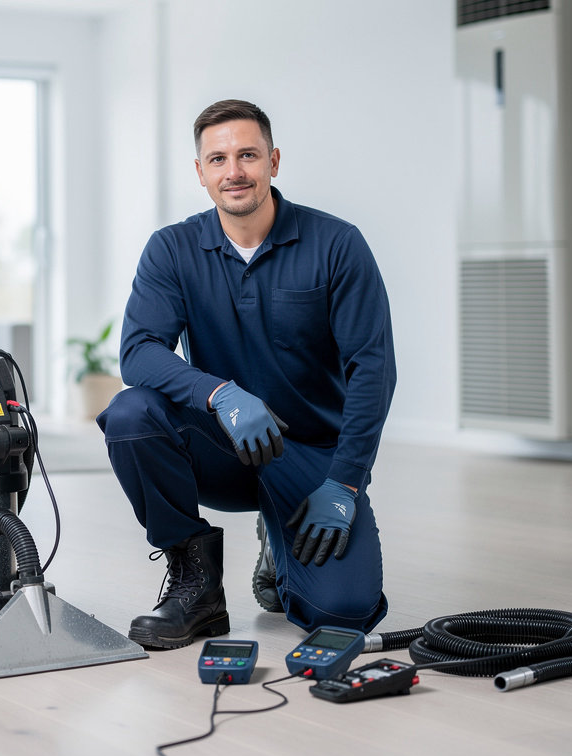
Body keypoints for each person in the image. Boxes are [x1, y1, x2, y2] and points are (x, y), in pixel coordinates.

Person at [97, 98, 396, 650]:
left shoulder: (337, 245)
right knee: (131, 413)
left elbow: (372, 369)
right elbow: (139, 351)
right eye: (218, 160)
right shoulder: (172, 249)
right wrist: (218, 394)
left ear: (274, 161)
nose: (233, 172)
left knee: (342, 612)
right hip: (222, 446)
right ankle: (197, 582)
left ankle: (277, 540)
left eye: (248, 155)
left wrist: (346, 481)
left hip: (310, 457)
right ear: (201, 173)